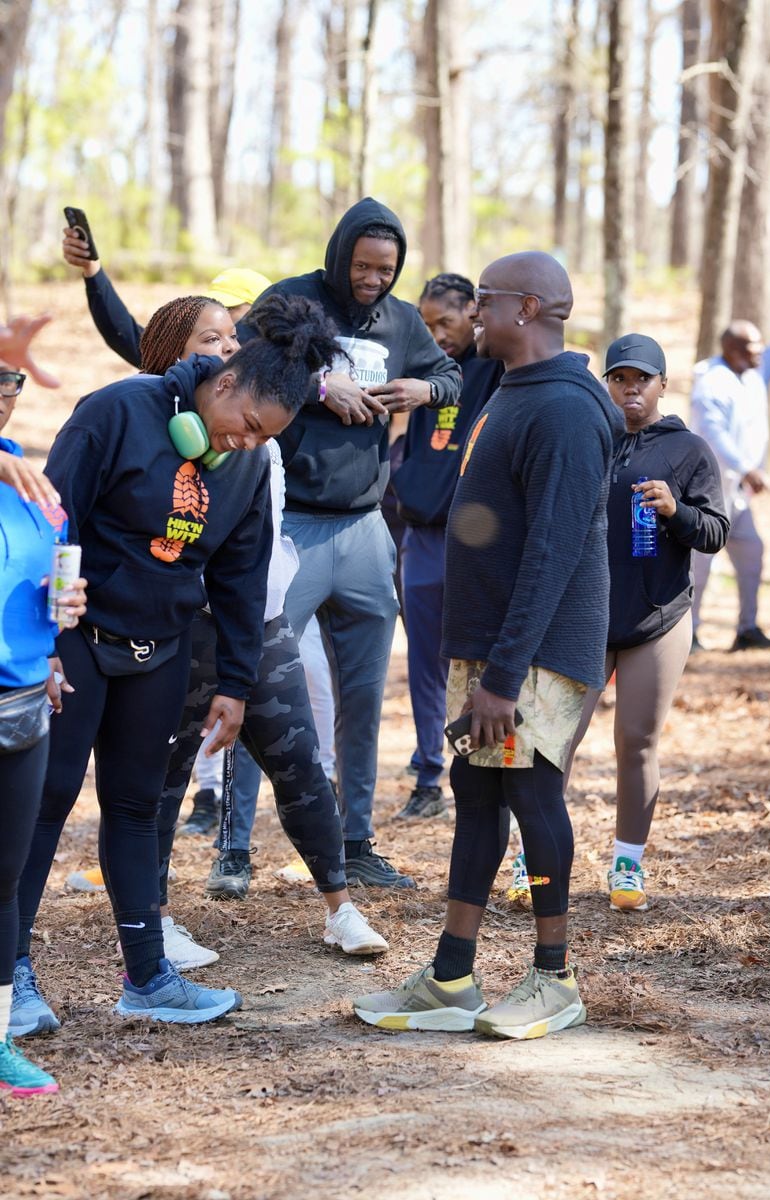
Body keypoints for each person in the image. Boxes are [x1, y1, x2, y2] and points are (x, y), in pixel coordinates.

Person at [10, 299, 336, 1035]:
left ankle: (149, 978)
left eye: (266, 438)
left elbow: (241, 577)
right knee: (44, 803)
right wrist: (44, 650)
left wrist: (234, 683)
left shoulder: (246, 469)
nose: (250, 443)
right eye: (249, 425)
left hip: (162, 648)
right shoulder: (117, 412)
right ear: (223, 386)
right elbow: (53, 524)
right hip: (77, 644)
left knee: (135, 808)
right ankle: (14, 975)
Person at [352, 251, 621, 1039]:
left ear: (529, 309)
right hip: (496, 648)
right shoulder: (509, 389)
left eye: (488, 302)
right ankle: (451, 977)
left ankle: (554, 976)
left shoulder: (568, 408)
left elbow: (554, 550)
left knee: (532, 793)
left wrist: (502, 677)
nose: (474, 315)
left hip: (533, 651)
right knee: (477, 799)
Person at [152, 301, 387, 961]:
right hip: (181, 633)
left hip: (258, 624)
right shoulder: (151, 429)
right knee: (165, 779)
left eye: (232, 339)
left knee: (302, 767)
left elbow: (248, 551)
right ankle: (155, 921)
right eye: (210, 340)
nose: (224, 350)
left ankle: (340, 909)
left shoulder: (256, 442)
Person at [240, 196, 462, 888]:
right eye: (362, 266)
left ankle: (356, 840)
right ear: (340, 256)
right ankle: (232, 848)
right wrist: (316, 385)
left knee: (364, 692)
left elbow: (454, 376)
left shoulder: (400, 322)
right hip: (294, 522)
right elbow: (241, 365)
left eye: (386, 269)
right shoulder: (292, 300)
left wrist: (423, 388)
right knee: (257, 680)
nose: (373, 279)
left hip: (367, 526)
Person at [566, 335, 729, 912]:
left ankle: (627, 866)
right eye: (619, 379)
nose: (630, 390)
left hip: (657, 617)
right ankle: (532, 860)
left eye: (642, 380)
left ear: (663, 384)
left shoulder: (688, 451)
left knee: (636, 743)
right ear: (607, 384)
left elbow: (714, 531)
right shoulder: (589, 438)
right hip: (584, 616)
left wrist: (676, 510)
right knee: (556, 741)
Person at [0, 320, 87, 1094]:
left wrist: (58, 633)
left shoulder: (33, 489)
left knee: (4, 876)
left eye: (11, 381)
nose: (4, 393)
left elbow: (45, 586)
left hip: (23, 703)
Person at [392, 272, 503, 819]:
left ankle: (481, 773)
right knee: (424, 662)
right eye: (427, 322)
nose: (436, 334)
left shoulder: (493, 369)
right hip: (421, 537)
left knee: (475, 660)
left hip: (474, 541)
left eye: (448, 322)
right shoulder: (419, 371)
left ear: (473, 316)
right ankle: (428, 775)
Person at [690, 317, 770, 651]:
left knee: (751, 551)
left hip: (737, 495)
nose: (761, 350)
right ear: (734, 350)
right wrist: (746, 467)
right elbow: (713, 434)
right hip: (707, 493)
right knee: (699, 563)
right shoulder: (711, 383)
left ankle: (747, 629)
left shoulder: (753, 373)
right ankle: (688, 633)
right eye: (754, 345)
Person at [62, 224, 271, 364]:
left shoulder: (285, 376)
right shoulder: (192, 362)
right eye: (216, 307)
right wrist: (92, 270)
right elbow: (124, 334)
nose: (220, 316)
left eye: (231, 308)